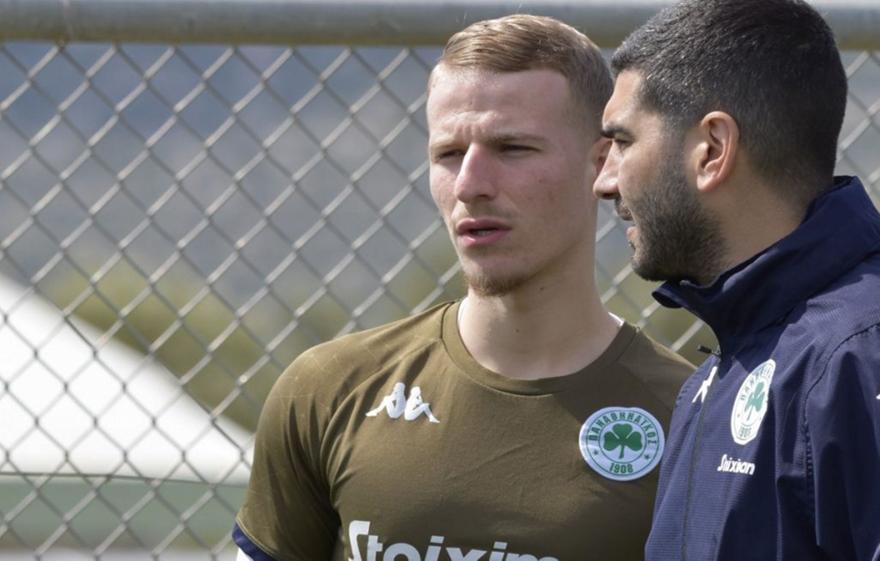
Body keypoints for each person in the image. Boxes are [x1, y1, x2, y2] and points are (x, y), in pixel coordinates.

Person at [233, 14, 692, 561]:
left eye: (512, 148)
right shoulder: (331, 390)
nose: (471, 185)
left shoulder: (689, 415)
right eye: (448, 154)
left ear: (602, 164)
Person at [592, 0, 880, 559]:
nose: (604, 182)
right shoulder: (723, 372)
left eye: (623, 142)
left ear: (712, 150)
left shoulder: (857, 356)